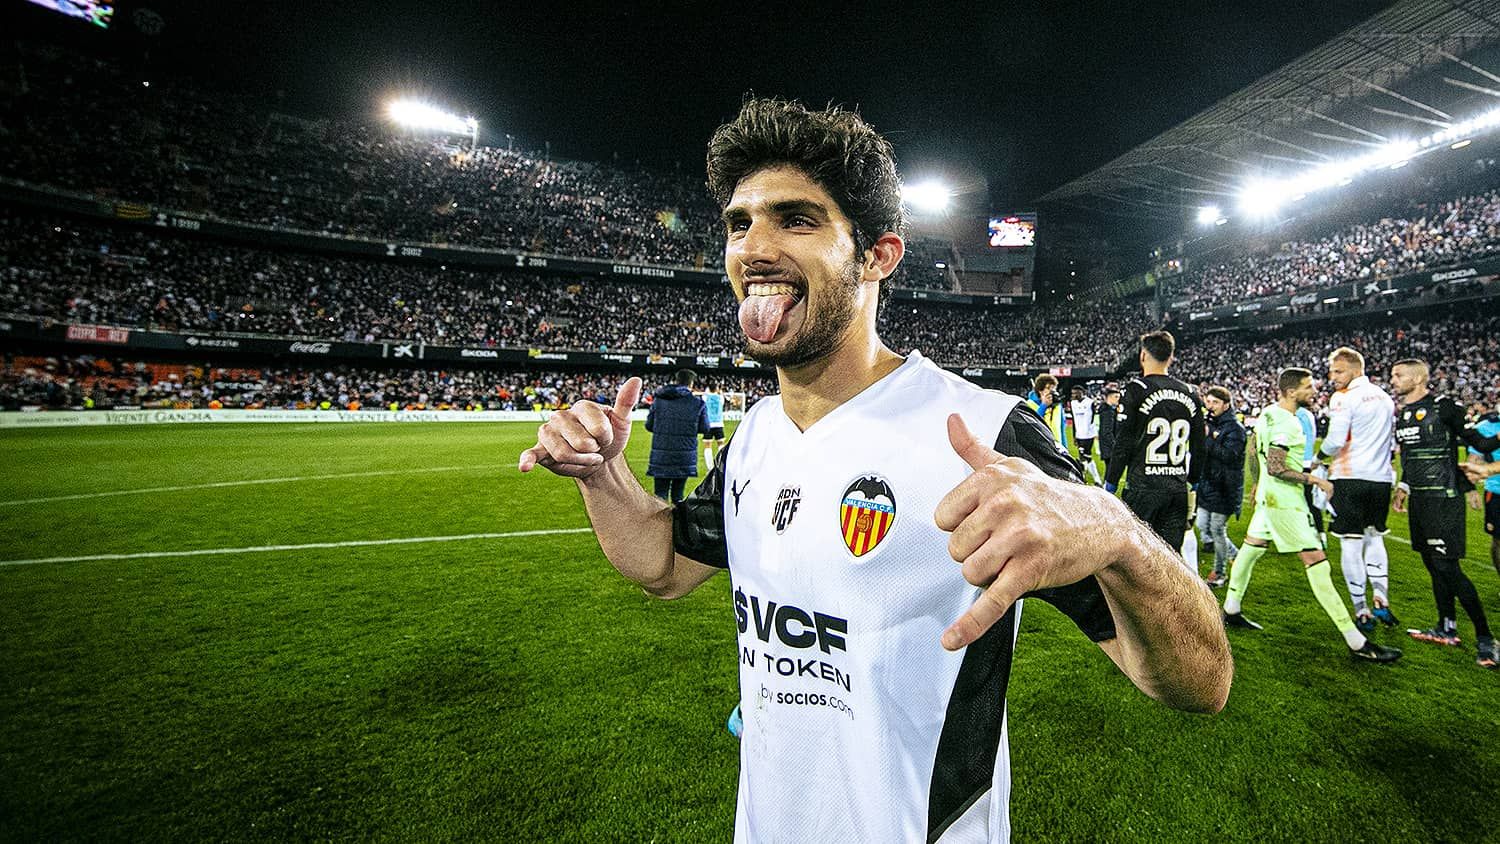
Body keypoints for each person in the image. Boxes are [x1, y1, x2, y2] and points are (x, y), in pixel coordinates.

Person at [518, 97, 1231, 842]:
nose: (753, 247)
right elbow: (664, 566)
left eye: (796, 219)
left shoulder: (982, 432)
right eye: (739, 222)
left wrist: (1116, 531)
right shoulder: (756, 436)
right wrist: (604, 476)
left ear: (878, 256)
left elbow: (1200, 684)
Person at [1222, 367, 1402, 663]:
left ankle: (1230, 607)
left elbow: (1254, 451)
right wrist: (1315, 480)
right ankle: (1356, 642)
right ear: (1292, 391)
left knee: (1250, 551)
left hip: (1269, 500)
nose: (1314, 391)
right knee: (1318, 567)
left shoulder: (1267, 413)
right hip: (1286, 505)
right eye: (1308, 387)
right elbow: (1277, 467)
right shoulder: (1289, 423)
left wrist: (1256, 484)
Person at [1389, 359, 1500, 668]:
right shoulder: (1404, 414)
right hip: (1420, 500)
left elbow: (1480, 442)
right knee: (1432, 563)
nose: (1394, 380)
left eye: (1399, 375)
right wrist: (1403, 487)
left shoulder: (1444, 407)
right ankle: (1445, 627)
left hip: (1444, 498)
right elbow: (1410, 457)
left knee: (1447, 567)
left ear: (1418, 378)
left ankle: (1487, 639)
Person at [1320, 347, 1398, 632]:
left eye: (1338, 371)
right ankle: (1382, 596)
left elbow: (1336, 439)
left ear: (1355, 369)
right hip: (1381, 479)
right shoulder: (1385, 397)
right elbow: (1391, 442)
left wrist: (1318, 459)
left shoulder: (1344, 398)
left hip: (1350, 476)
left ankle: (1361, 609)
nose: (1333, 377)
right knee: (1375, 536)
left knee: (1351, 542)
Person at [1103, 330, 1205, 548]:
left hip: (1143, 487)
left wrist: (1110, 483)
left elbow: (1122, 442)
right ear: (1171, 357)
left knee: (1138, 558)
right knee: (1170, 558)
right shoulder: (1190, 393)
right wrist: (1193, 480)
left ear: (1142, 356)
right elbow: (1199, 446)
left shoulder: (1135, 389)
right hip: (1177, 489)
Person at [1198, 386, 1245, 588]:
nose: (1211, 406)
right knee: (1202, 525)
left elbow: (1230, 456)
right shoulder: (1210, 424)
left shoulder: (1235, 429)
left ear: (1226, 405)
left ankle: (1219, 573)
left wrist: (1208, 438)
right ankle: (1238, 556)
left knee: (1217, 530)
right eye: (1208, 402)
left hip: (1225, 487)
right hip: (1208, 484)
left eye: (1215, 402)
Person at [644, 368, 710, 503]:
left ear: (677, 381)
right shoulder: (698, 403)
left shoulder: (659, 400)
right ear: (691, 383)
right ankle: (677, 523)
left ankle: (659, 524)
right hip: (684, 455)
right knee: (678, 495)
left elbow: (649, 425)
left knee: (660, 495)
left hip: (661, 455)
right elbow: (705, 428)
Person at [1463, 400, 1500, 590]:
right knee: (1498, 540)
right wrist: (1470, 489)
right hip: (1496, 492)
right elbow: (1473, 459)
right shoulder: (1486, 427)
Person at [1069, 384, 1103, 484]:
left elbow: (1093, 418)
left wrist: (1093, 431)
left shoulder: (1090, 402)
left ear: (1082, 392)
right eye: (1073, 393)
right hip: (1079, 435)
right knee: (1084, 457)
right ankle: (1095, 479)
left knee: (1085, 456)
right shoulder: (1073, 403)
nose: (1074, 395)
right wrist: (1074, 435)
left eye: (1076, 393)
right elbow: (1074, 420)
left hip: (1088, 435)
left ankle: (1089, 478)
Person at [1025, 374, 1069, 450]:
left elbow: (1061, 428)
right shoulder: (1029, 404)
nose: (1052, 392)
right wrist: (1043, 406)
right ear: (1040, 391)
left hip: (1057, 447)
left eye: (1054, 388)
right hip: (1040, 447)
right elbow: (1032, 426)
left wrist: (1065, 448)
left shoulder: (1058, 406)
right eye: (1048, 388)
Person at [702, 381, 727, 465]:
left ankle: (710, 467)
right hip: (719, 424)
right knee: (721, 444)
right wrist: (720, 392)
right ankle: (720, 464)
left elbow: (704, 395)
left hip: (708, 424)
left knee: (707, 445)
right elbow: (722, 397)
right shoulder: (720, 398)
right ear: (716, 388)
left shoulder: (705, 397)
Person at [1098, 386, 1122, 467]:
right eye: (1116, 397)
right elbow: (1106, 432)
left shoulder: (1108, 410)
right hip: (1109, 449)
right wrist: (1115, 446)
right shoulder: (1108, 412)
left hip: (1107, 448)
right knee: (1110, 474)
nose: (1118, 399)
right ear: (1109, 397)